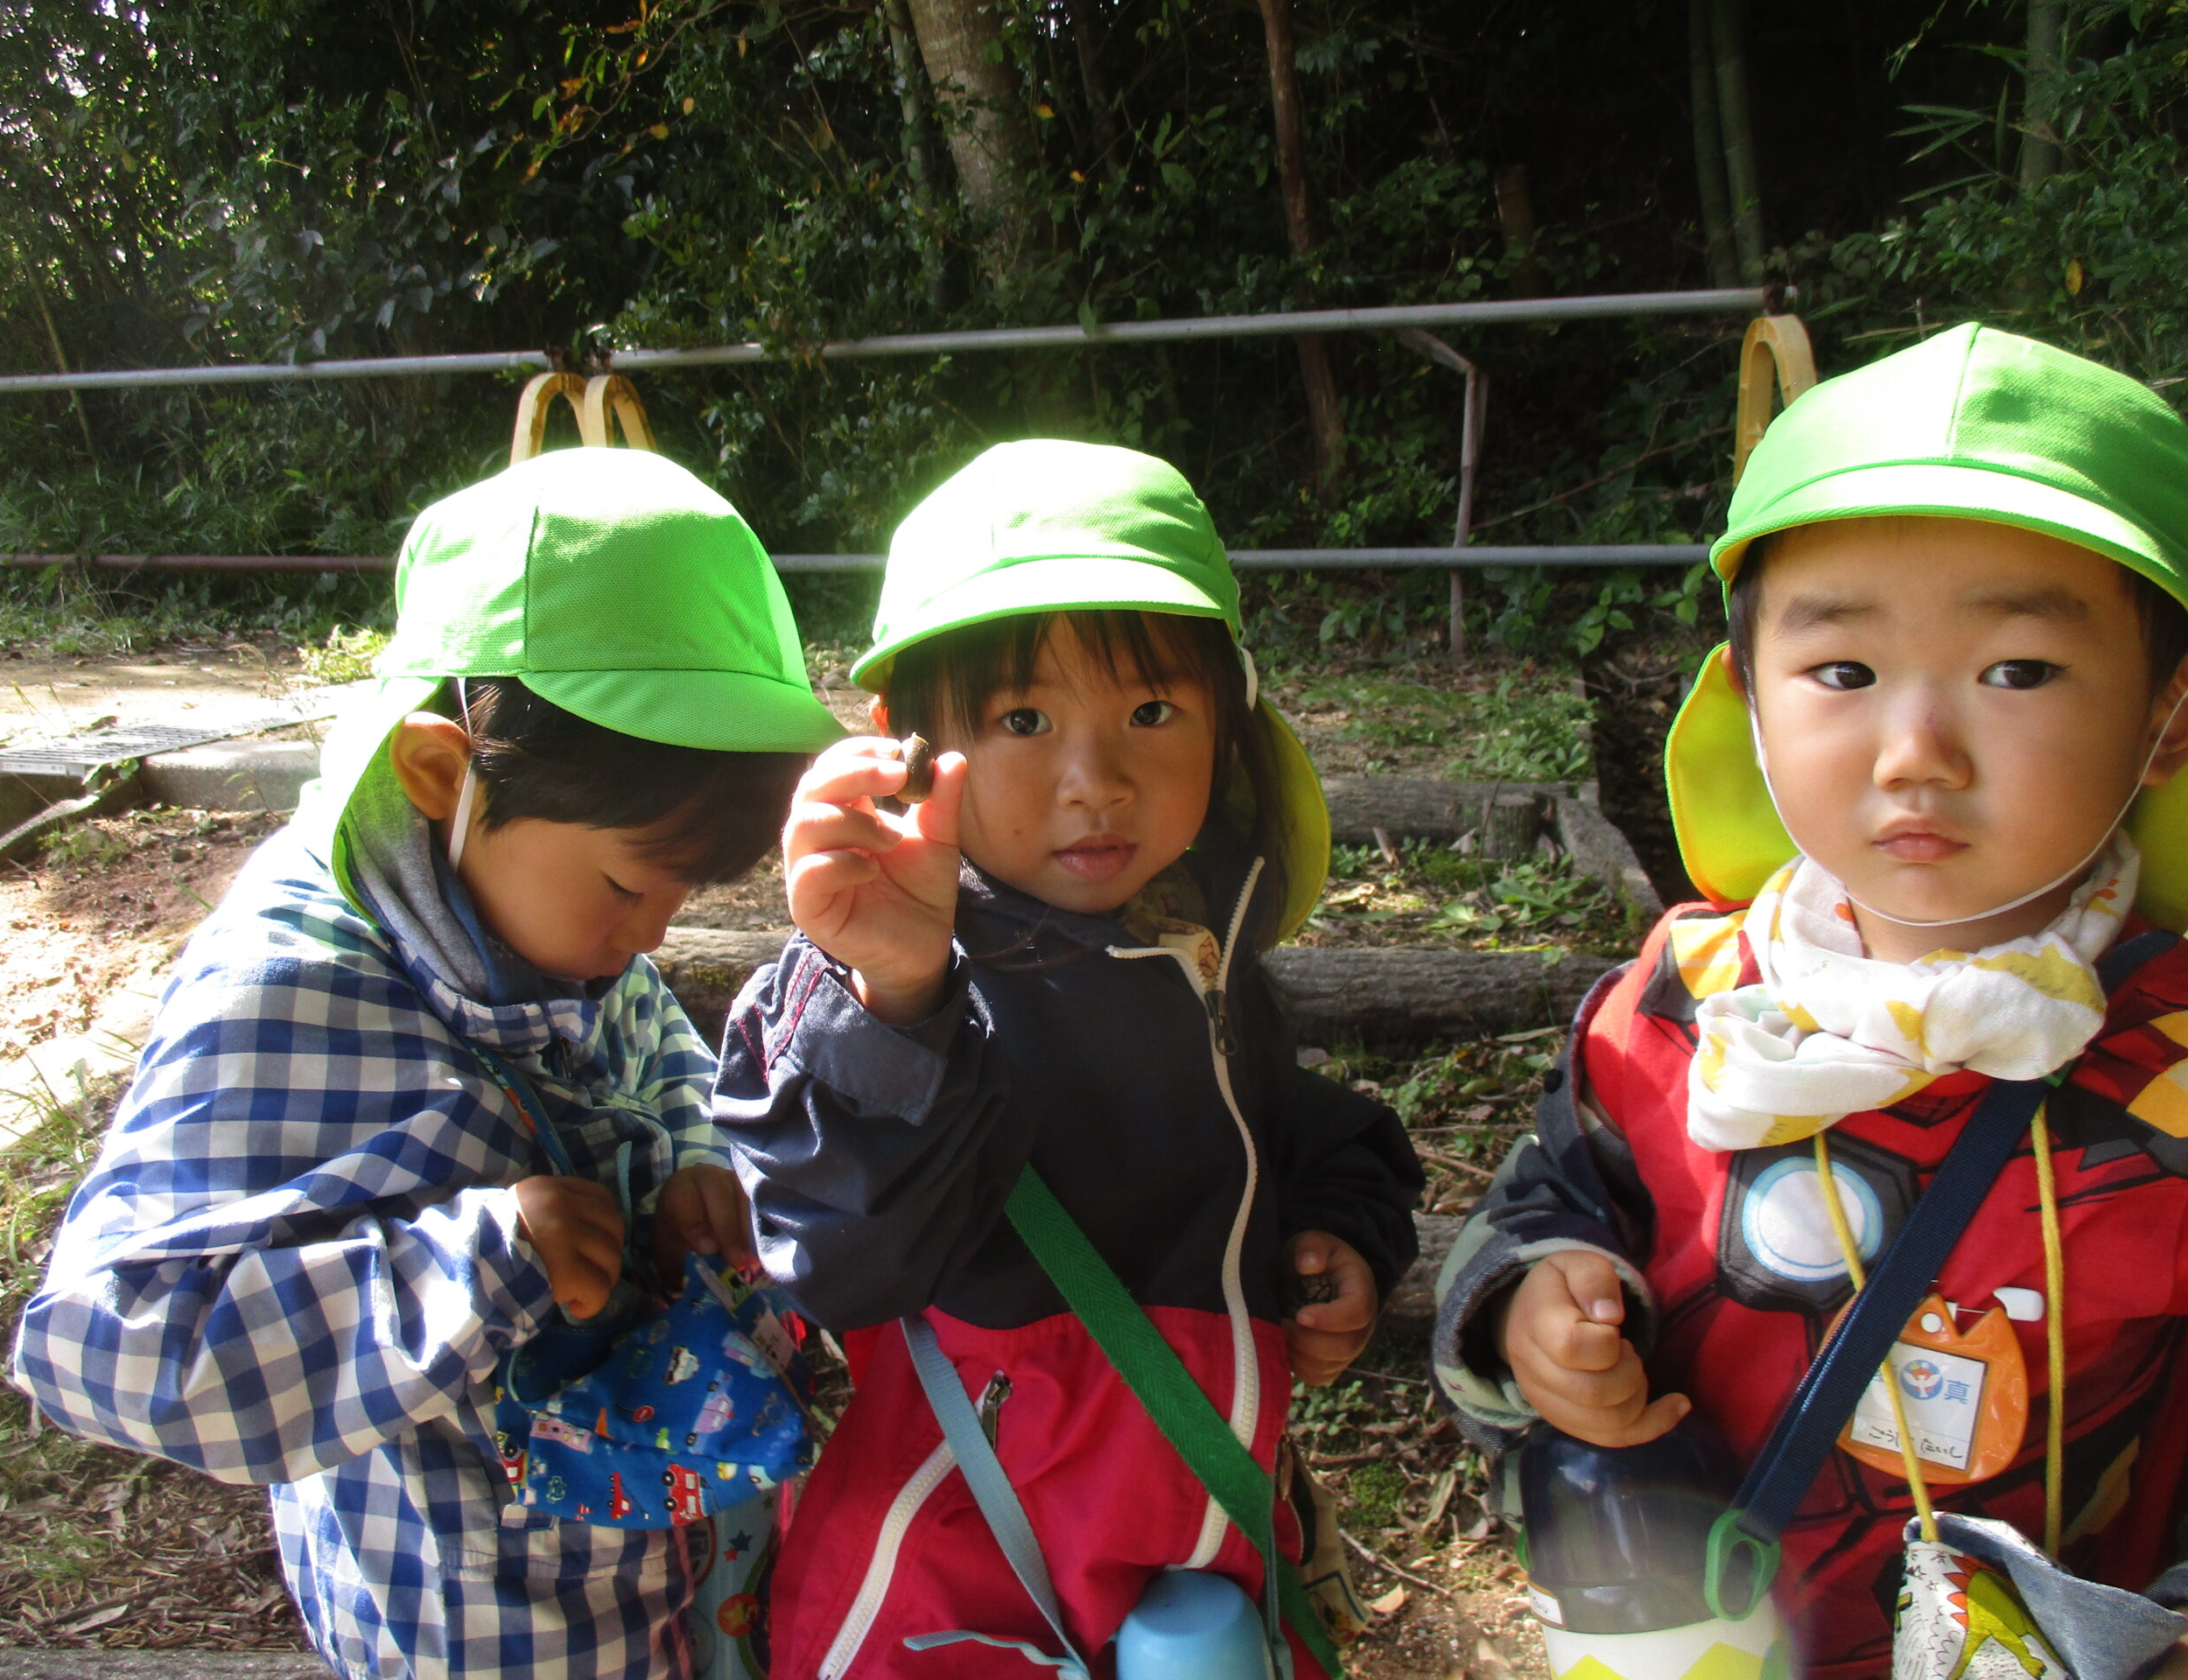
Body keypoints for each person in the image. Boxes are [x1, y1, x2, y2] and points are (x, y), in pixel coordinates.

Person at [11, 448, 846, 1680]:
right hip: (478, 1628)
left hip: (674, 1587)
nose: (655, 937)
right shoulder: (285, 997)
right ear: (442, 773)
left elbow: (656, 1038)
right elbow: (108, 1344)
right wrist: (472, 1264)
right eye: (632, 883)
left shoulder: (542, 924)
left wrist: (694, 1150)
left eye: (688, 890)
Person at [1430, 324, 2188, 1678]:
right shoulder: (1674, 1007)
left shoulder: (2168, 1069)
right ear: (1751, 704)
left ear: (2168, 718)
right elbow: (1553, 1203)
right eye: (1842, 673)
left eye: (2016, 670)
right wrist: (1532, 1304)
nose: (1916, 752)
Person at [713, 439, 1421, 1678]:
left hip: (1205, 1555)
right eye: (1022, 721)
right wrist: (895, 993)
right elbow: (839, 1254)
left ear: (1230, 714)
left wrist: (1339, 1233)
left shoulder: (1202, 952)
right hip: (956, 1584)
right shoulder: (878, 984)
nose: (1095, 784)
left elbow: (1302, 1133)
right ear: (908, 744)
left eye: (1152, 712)